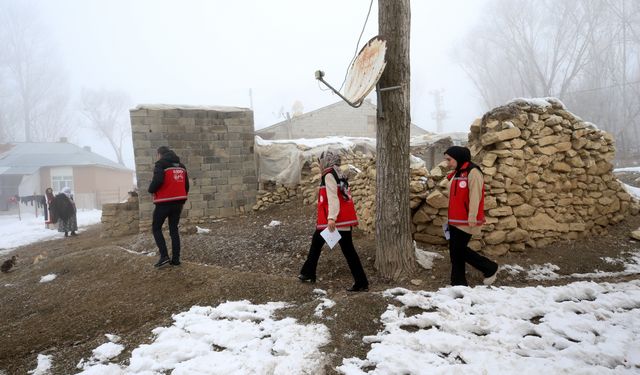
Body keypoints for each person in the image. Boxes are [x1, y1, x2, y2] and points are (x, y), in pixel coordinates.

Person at [298, 150, 369, 292]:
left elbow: (333, 198)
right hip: (342, 220)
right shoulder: (339, 173)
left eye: (320, 161)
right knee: (345, 250)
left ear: (326, 161)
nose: (319, 164)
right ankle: (361, 282)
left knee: (320, 245)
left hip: (333, 220)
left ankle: (308, 273)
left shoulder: (329, 174)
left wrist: (331, 218)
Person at [444, 146, 498, 286]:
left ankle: (490, 267)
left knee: (459, 250)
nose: (447, 163)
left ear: (458, 157)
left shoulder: (473, 172)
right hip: (454, 219)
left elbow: (476, 196)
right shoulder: (457, 172)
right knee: (455, 252)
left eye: (449, 159)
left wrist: (472, 216)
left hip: (466, 220)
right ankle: (458, 282)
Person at [148, 146, 189, 268]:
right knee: (173, 230)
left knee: (156, 228)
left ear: (160, 154)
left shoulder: (160, 164)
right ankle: (176, 259)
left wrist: (151, 189)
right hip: (179, 202)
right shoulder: (182, 166)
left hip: (164, 202)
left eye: (157, 155)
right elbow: (186, 185)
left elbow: (158, 180)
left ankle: (164, 256)